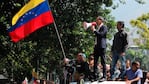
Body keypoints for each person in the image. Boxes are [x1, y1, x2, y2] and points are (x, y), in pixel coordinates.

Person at [91, 16, 108, 81]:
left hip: (101, 46)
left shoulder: (104, 27)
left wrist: (94, 30)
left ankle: (104, 76)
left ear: (101, 20)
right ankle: (95, 76)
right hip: (96, 46)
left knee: (103, 61)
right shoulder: (98, 28)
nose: (96, 21)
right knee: (95, 61)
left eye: (97, 20)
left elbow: (101, 34)